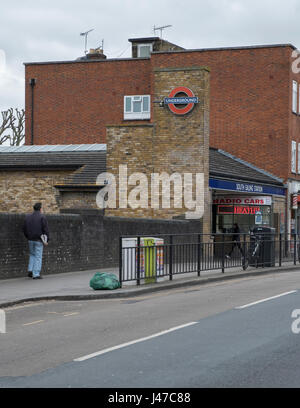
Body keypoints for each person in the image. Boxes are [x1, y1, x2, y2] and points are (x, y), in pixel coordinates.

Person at [23, 202, 49, 279]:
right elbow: (45, 230)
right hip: (38, 240)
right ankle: (36, 274)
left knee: (32, 255)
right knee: (38, 256)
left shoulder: (27, 216)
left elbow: (24, 229)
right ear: (40, 209)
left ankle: (30, 270)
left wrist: (27, 237)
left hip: (30, 239)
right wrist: (46, 240)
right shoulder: (42, 217)